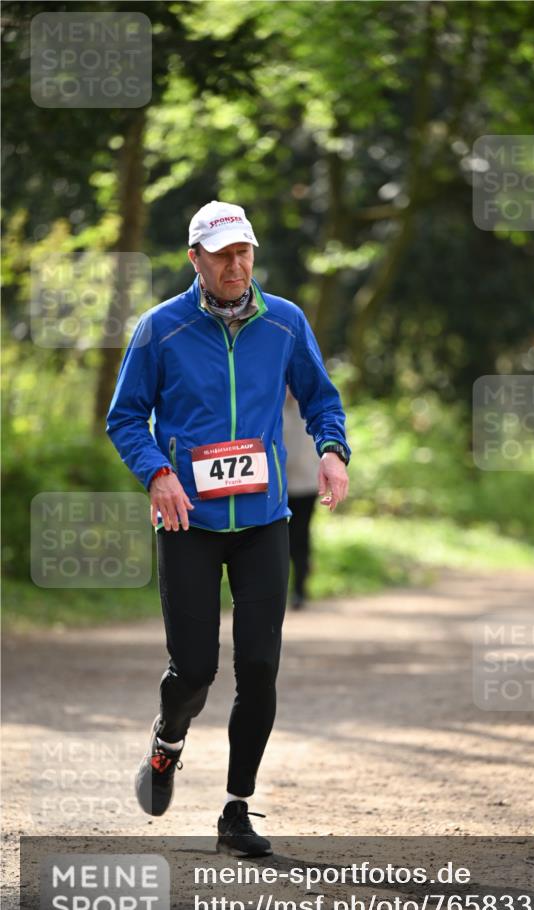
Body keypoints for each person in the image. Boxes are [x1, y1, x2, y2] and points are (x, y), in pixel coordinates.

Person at [106, 200, 350, 856]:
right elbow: (125, 417)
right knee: (192, 670)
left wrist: (331, 450)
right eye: (222, 255)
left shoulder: (286, 323)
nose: (236, 264)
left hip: (264, 518)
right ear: (196, 259)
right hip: (188, 520)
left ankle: (236, 809)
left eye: (244, 251)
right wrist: (157, 472)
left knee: (260, 666)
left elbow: (322, 398)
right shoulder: (162, 330)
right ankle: (166, 743)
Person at [283, 388, 321, 609]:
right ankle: (282, 589)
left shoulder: (311, 408)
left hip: (306, 486)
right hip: (281, 487)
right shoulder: (274, 406)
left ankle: (300, 589)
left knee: (301, 537)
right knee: (282, 540)